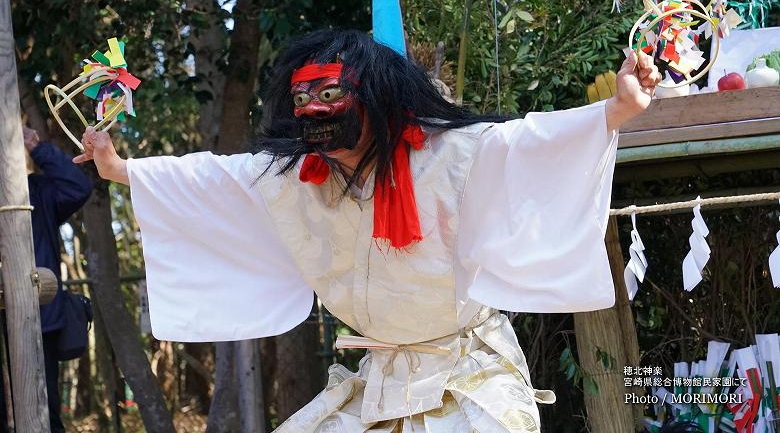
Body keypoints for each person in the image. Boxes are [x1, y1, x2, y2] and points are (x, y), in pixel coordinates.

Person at [75, 29, 660, 432]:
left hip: (468, 375)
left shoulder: (450, 155)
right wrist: (120, 170)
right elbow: (211, 181)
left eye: (330, 94)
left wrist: (618, 111)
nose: (314, 110)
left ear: (374, 97)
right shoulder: (291, 178)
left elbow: (531, 143)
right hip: (378, 381)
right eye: (303, 98)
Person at [23, 126, 93, 433]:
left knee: (44, 411)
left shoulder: (36, 191)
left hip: (38, 317)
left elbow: (78, 187)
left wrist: (39, 148)